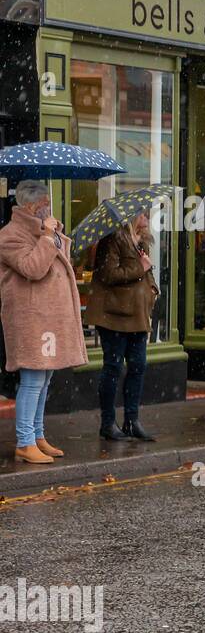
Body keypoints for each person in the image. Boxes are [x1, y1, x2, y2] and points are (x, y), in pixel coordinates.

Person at [0, 180, 88, 464]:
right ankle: (25, 442)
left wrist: (54, 236)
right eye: (44, 204)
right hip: (31, 319)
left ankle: (37, 435)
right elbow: (32, 268)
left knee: (46, 377)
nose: (48, 208)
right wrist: (48, 238)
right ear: (29, 206)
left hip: (49, 319)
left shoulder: (42, 233)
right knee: (33, 378)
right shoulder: (10, 235)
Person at [83, 209, 159, 441]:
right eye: (143, 215)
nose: (146, 220)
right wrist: (141, 268)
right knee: (113, 368)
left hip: (137, 315)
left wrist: (153, 288)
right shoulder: (112, 239)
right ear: (132, 217)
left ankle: (132, 421)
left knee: (138, 366)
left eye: (147, 215)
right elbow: (108, 274)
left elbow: (147, 273)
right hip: (114, 315)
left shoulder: (141, 243)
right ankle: (108, 423)